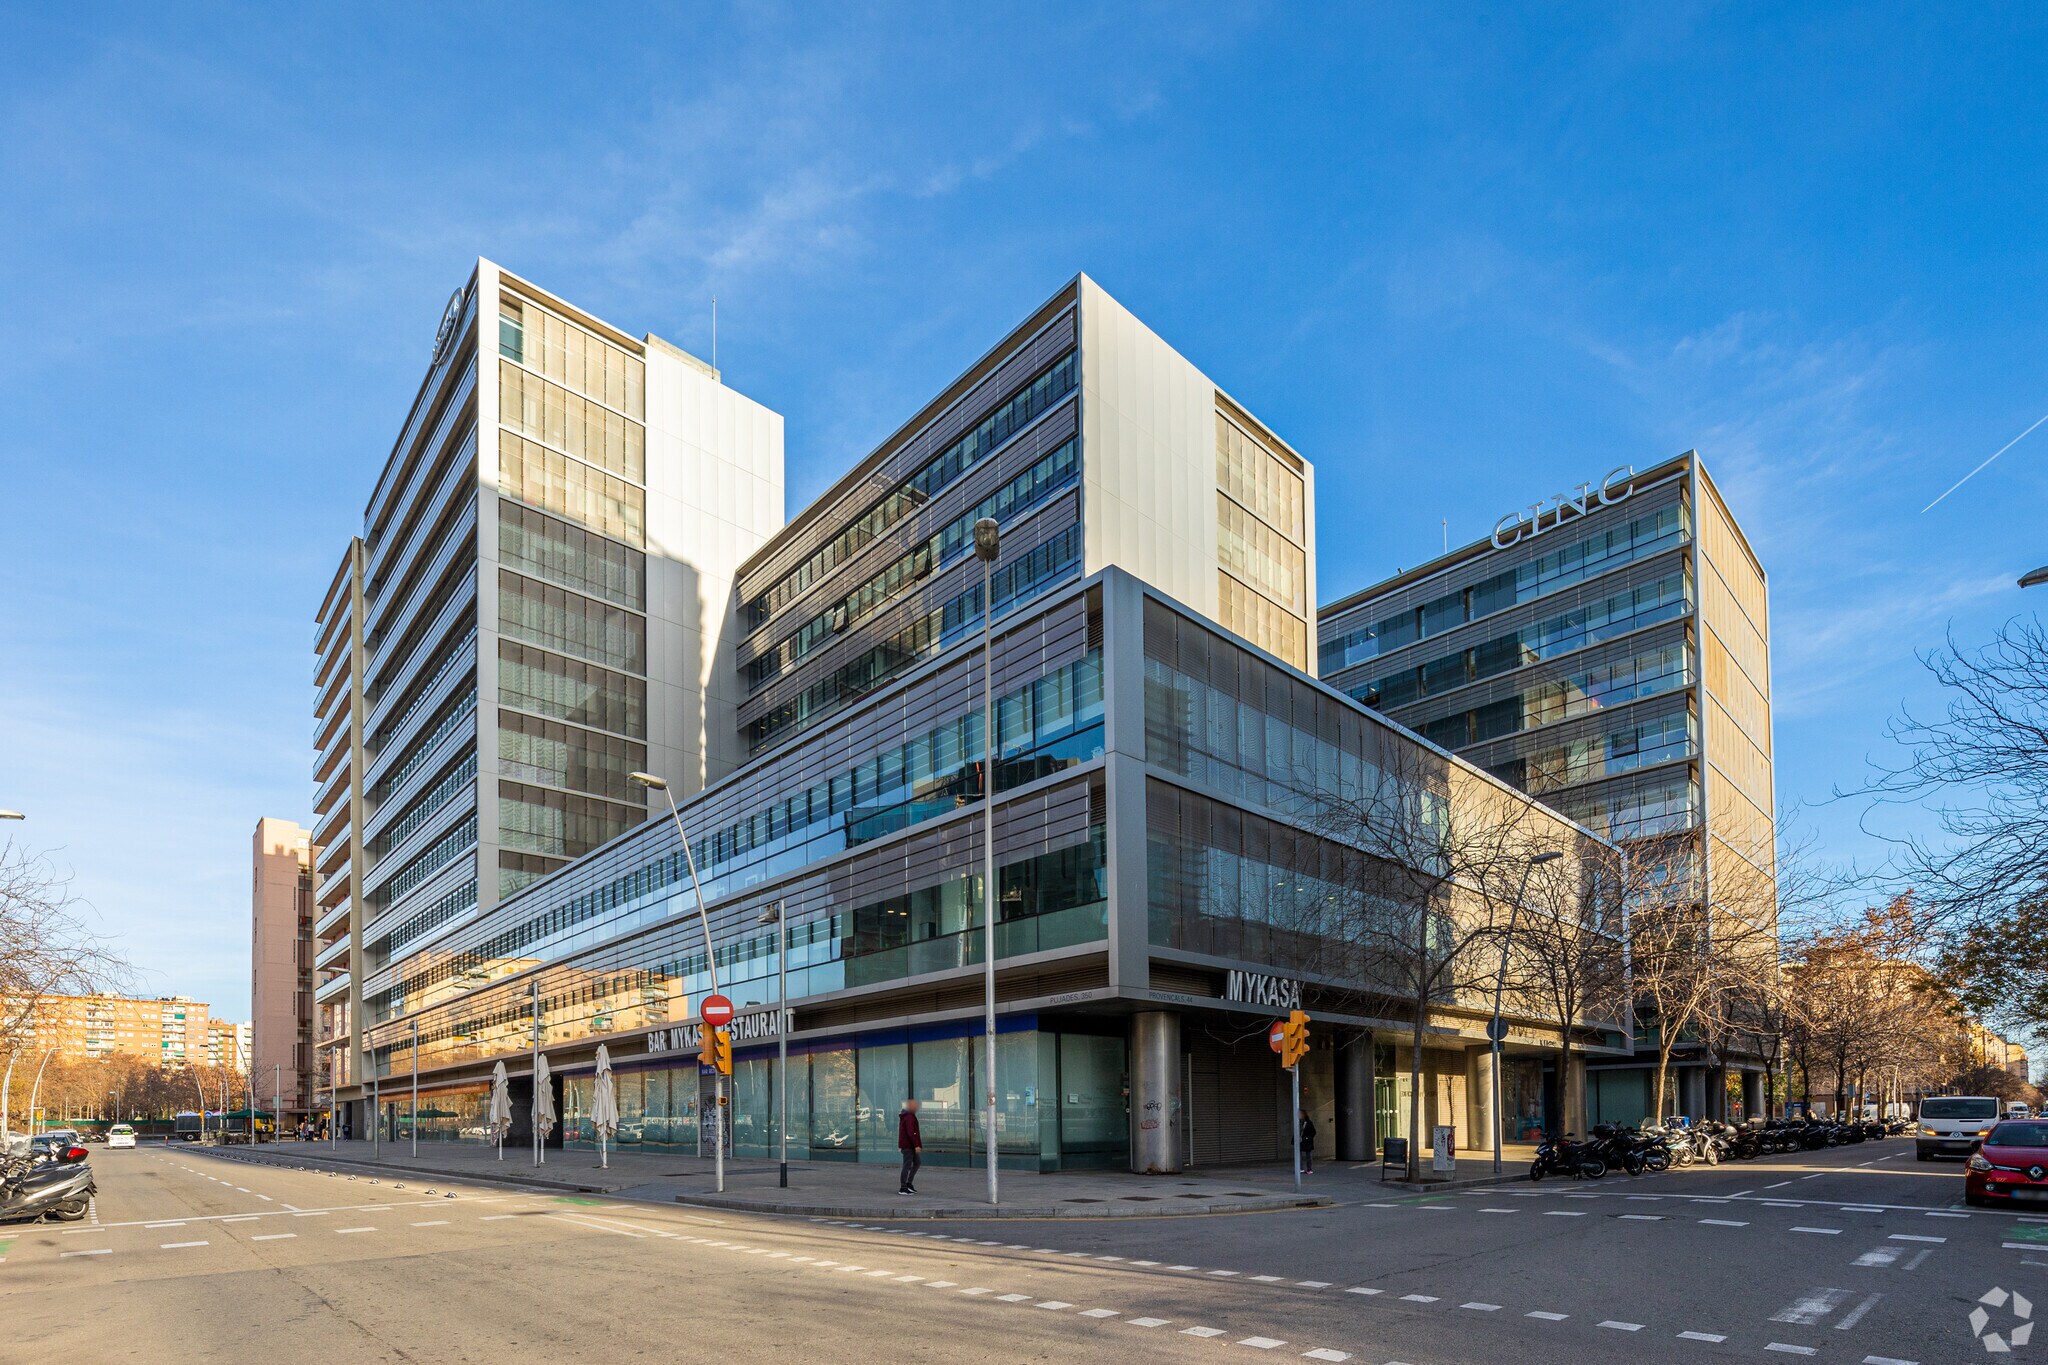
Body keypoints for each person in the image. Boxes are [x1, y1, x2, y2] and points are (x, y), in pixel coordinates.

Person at [897, 1098, 922, 1195]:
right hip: (908, 1146)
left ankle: (908, 1184)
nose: (917, 1107)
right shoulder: (909, 1117)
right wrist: (916, 1145)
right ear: (910, 1106)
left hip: (910, 1145)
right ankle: (903, 1187)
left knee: (917, 1162)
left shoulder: (909, 1116)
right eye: (915, 1105)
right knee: (907, 1165)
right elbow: (911, 1133)